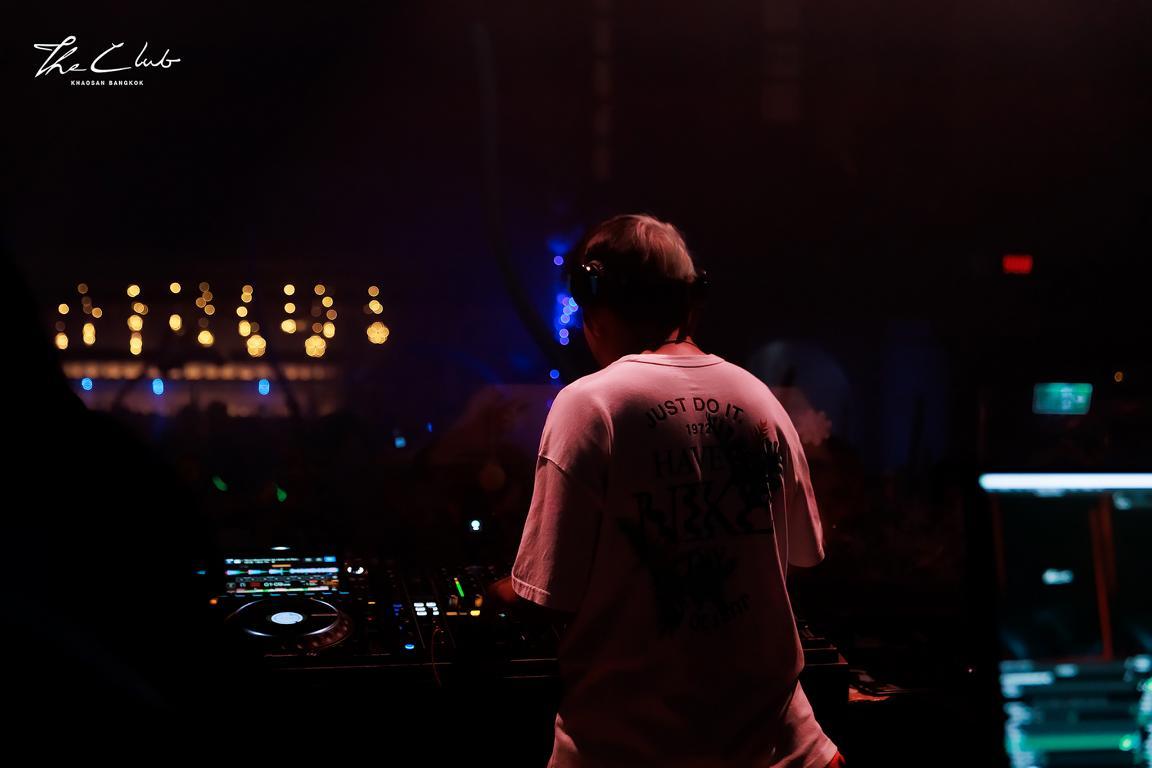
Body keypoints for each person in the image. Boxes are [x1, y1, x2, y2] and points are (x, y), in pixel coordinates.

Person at [486, 214, 844, 767]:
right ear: (691, 302)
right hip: (787, 751)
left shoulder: (591, 405)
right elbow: (802, 558)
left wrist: (490, 595)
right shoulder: (760, 401)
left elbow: (546, 597)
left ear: (594, 300)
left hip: (629, 751)